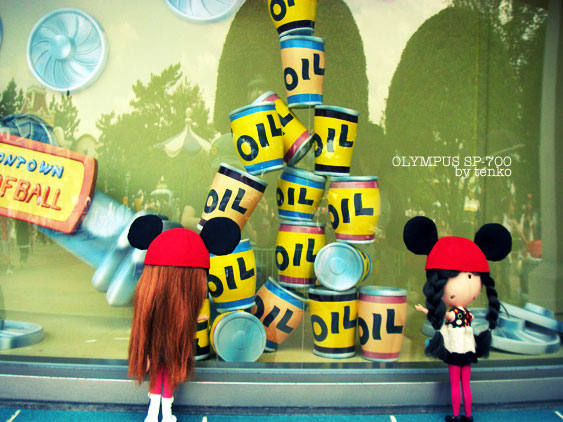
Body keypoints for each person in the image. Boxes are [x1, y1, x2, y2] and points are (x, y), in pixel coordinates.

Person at [127, 215, 240, 422]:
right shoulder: (181, 312)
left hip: (161, 343)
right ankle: (161, 413)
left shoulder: (150, 310)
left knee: (163, 369)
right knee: (168, 368)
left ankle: (155, 413)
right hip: (170, 343)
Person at [404, 216, 511, 422]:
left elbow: (442, 316)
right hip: (468, 351)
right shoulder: (468, 314)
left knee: (456, 384)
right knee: (465, 384)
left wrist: (423, 310)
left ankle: (455, 415)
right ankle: (468, 415)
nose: (468, 283)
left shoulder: (454, 314)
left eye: (471, 276)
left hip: (455, 351)